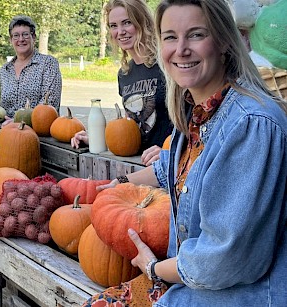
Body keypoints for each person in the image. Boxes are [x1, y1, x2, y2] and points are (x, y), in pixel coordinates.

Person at [82, 0, 287, 306]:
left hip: (237, 296)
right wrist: (122, 183)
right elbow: (173, 167)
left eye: (195, 35)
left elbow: (223, 257)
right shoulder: (196, 110)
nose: (180, 49)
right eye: (170, 37)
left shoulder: (251, 124)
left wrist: (153, 268)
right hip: (191, 283)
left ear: (224, 42)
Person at [71, 0, 172, 166]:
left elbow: (192, 119)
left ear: (143, 22)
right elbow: (133, 126)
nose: (120, 31)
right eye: (113, 25)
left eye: (127, 22)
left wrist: (170, 149)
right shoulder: (124, 73)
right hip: (138, 163)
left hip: (170, 163)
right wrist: (99, 139)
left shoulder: (167, 64)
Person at [0, 15, 62, 126]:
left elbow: (50, 103)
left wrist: (19, 121)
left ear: (34, 37)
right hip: (7, 130)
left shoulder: (48, 64)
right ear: (11, 40)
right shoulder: (5, 70)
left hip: (38, 135)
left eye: (25, 34)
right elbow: (3, 105)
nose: (21, 39)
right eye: (16, 36)